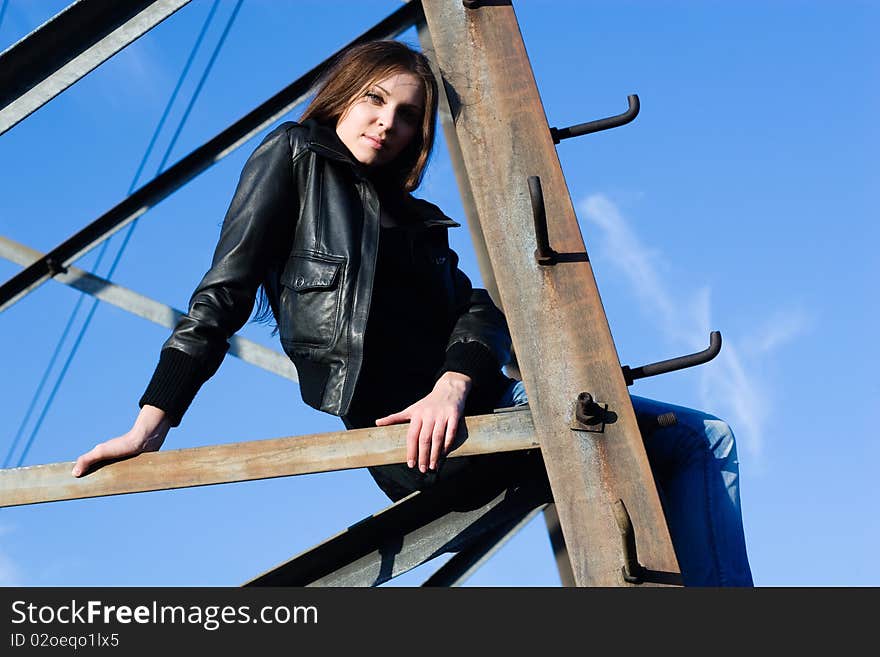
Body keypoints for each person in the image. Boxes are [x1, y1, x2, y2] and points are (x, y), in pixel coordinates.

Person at [71, 41, 752, 587]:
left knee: (700, 438)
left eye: (406, 117)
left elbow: (480, 311)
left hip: (482, 401)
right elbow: (222, 292)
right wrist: (149, 425)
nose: (387, 124)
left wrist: (451, 386)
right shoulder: (296, 156)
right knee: (679, 440)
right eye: (375, 100)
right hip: (411, 435)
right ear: (342, 97)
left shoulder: (421, 220)